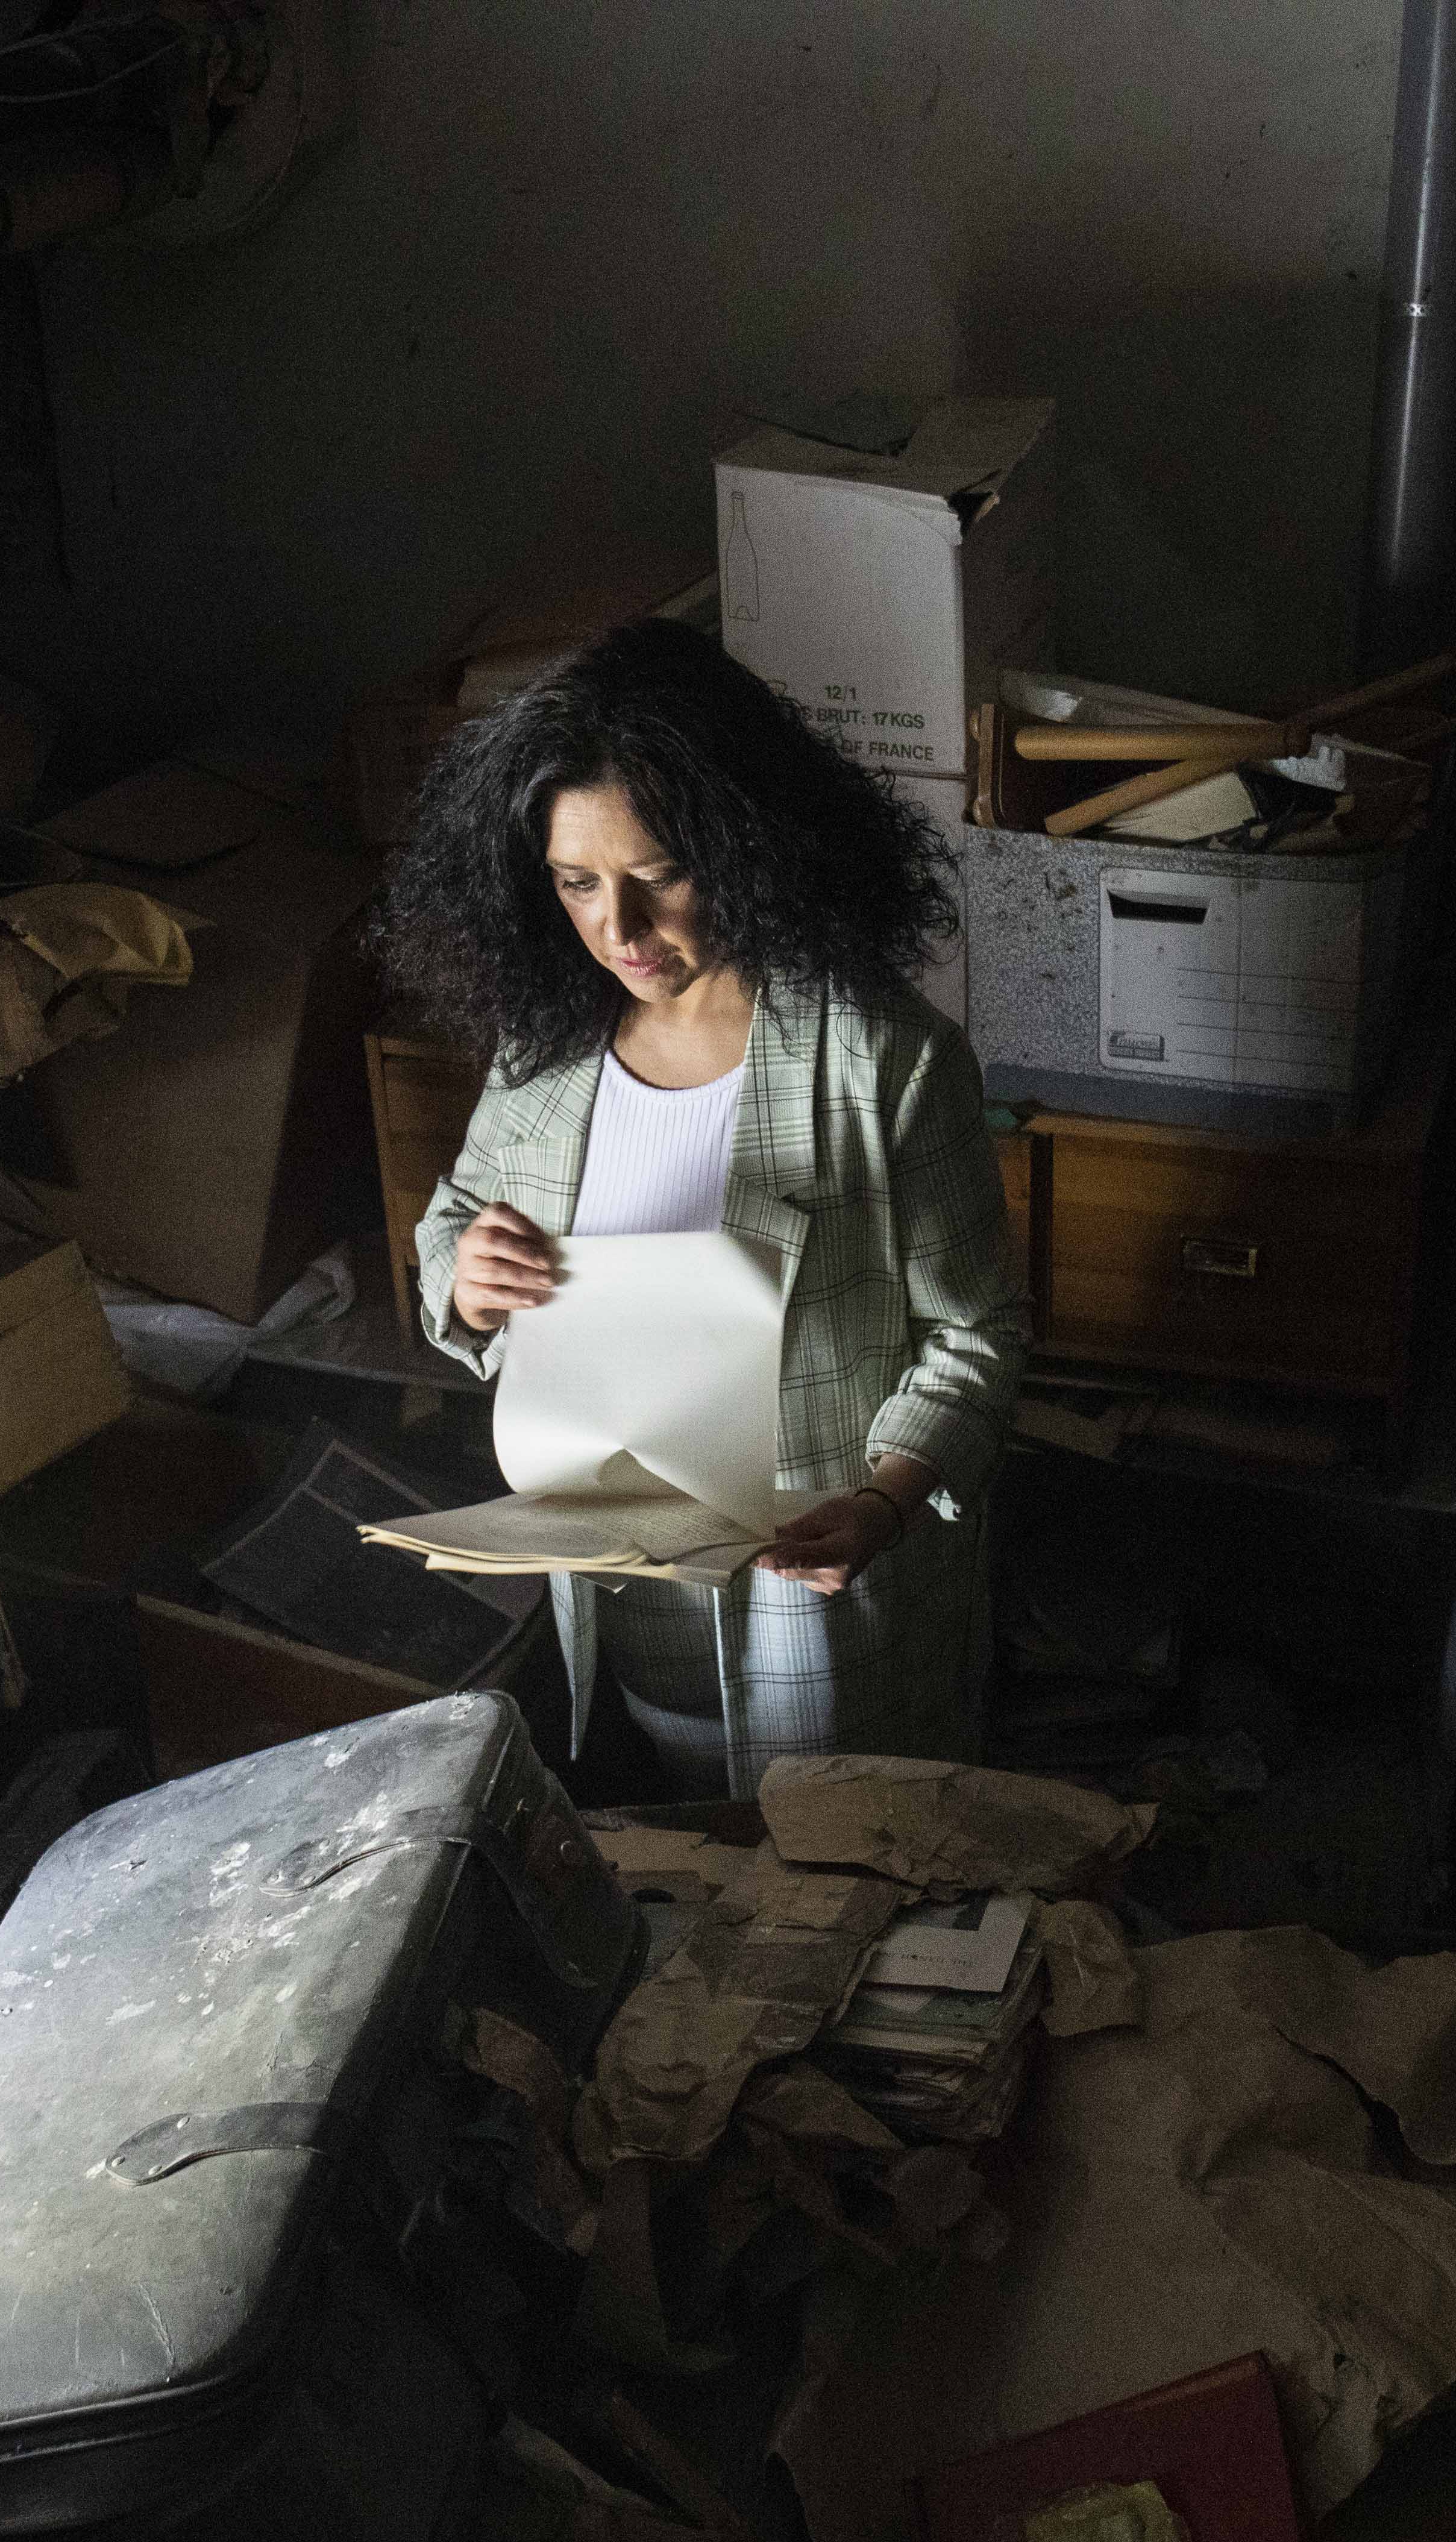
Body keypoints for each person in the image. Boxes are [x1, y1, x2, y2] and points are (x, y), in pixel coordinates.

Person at [382, 615, 1028, 1800]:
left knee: (849, 1882)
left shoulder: (886, 1058)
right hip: (626, 1613)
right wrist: (464, 1279)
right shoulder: (547, 1046)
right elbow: (452, 1225)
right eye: (577, 882)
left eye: (658, 874)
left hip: (827, 1620)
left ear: (744, 842)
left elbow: (974, 1332)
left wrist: (886, 1499)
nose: (616, 930)